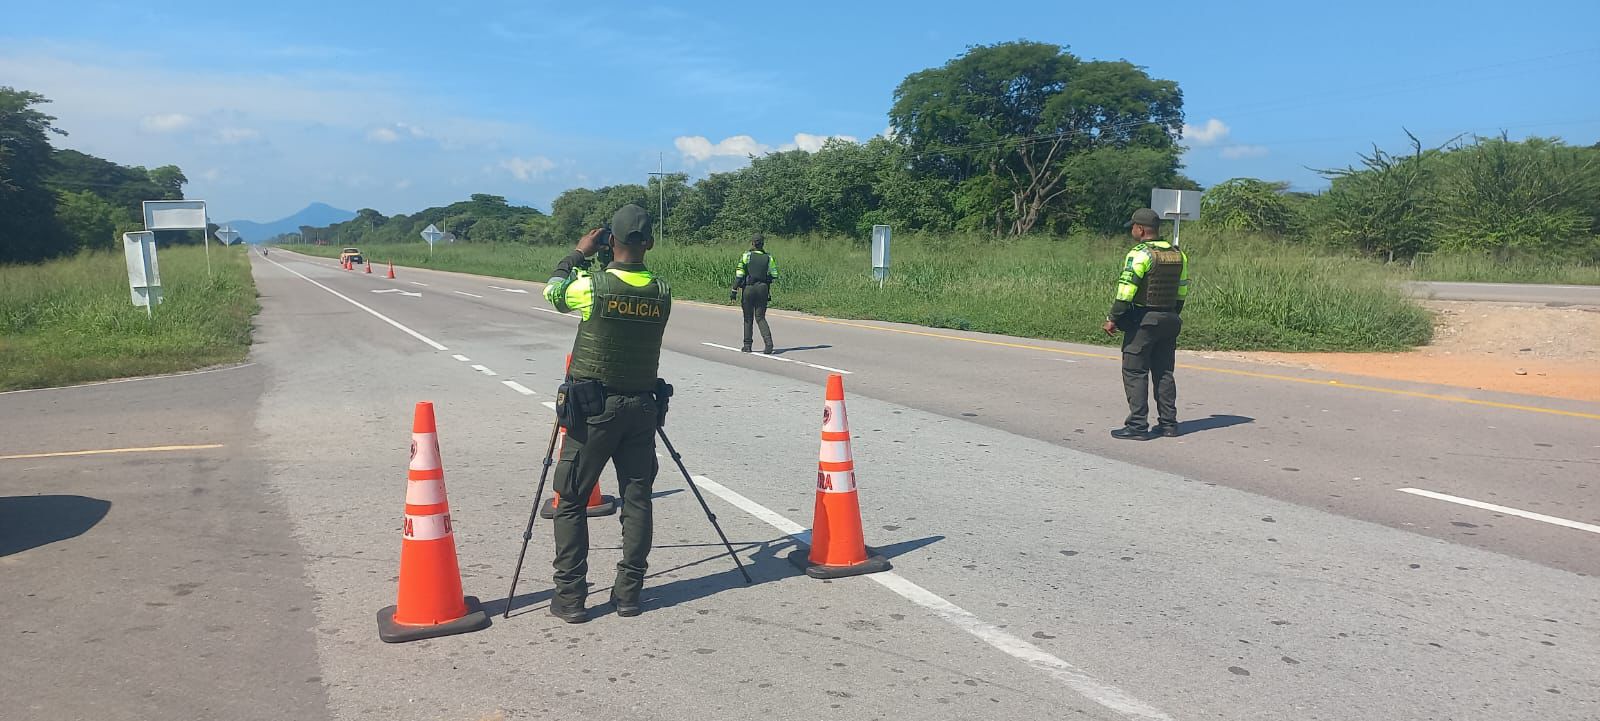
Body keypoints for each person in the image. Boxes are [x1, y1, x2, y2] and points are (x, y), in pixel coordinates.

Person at [541, 204, 672, 622]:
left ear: (610, 240)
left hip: (594, 410)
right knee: (638, 499)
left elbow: (553, 292)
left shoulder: (593, 287)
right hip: (642, 409)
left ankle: (571, 597)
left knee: (572, 500)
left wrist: (578, 253)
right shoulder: (662, 291)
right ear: (649, 243)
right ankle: (629, 593)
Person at [1101, 208, 1190, 440]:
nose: (1132, 230)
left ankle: (1137, 426)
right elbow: (1182, 290)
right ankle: (1169, 424)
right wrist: (1171, 314)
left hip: (1145, 320)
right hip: (1170, 319)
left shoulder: (1139, 254)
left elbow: (1126, 290)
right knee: (1164, 372)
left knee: (1135, 370)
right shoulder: (1178, 254)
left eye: (1133, 227)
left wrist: (1113, 318)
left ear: (1140, 229)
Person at [729, 233, 778, 354]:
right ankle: (769, 344)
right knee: (760, 317)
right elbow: (774, 274)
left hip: (749, 289)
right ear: (763, 244)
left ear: (752, 243)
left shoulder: (747, 256)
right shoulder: (768, 257)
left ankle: (747, 345)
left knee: (748, 318)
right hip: (763, 289)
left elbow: (739, 275)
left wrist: (734, 290)